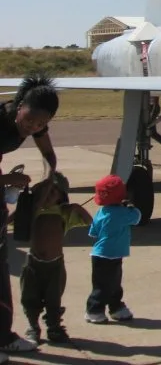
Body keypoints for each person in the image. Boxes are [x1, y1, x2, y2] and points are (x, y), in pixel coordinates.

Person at [0, 74, 61, 358]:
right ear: (19, 105)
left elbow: (49, 155)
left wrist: (49, 179)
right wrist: (8, 180)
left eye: (40, 124)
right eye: (30, 121)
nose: (33, 127)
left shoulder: (34, 121)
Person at [20, 172, 92, 344]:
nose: (47, 196)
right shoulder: (33, 213)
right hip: (33, 264)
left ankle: (54, 327)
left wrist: (77, 207)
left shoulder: (64, 213)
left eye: (52, 192)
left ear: (61, 196)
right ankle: (33, 327)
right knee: (30, 297)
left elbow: (90, 221)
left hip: (55, 267)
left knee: (54, 299)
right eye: (44, 192)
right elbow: (10, 221)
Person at [86, 175, 142, 324]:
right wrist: (130, 206)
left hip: (99, 254)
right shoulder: (124, 213)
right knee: (110, 284)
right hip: (112, 255)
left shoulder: (101, 212)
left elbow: (93, 232)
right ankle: (95, 310)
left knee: (105, 283)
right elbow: (137, 217)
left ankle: (115, 307)